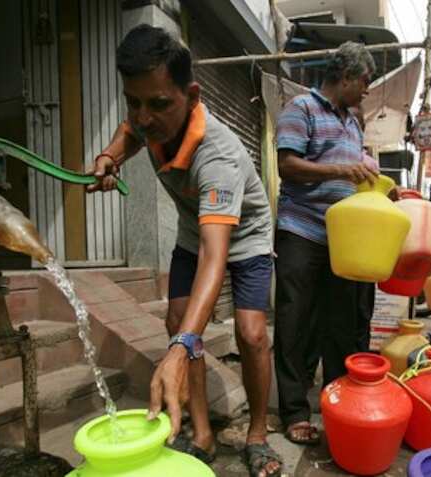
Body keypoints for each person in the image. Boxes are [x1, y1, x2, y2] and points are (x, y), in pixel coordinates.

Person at [87, 25, 281, 476]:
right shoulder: (151, 119)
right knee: (177, 321)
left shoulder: (217, 157)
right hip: (195, 231)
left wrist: (180, 349)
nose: (144, 116)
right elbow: (132, 132)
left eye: (157, 104)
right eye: (133, 101)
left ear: (192, 96)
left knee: (251, 332)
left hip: (246, 235)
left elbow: (216, 256)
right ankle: (202, 434)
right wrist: (109, 157)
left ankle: (257, 434)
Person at [274, 41, 377, 446]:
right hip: (302, 231)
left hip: (343, 240)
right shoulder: (301, 108)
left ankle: (336, 404)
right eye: (365, 81)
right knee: (295, 322)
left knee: (339, 326)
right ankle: (294, 410)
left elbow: (352, 176)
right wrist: (340, 170)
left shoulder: (353, 122)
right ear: (346, 76)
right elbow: (287, 166)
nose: (367, 89)